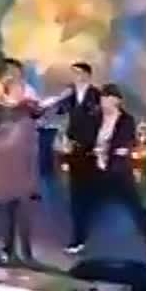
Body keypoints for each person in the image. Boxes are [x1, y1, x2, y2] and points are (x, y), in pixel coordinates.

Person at [94, 84, 146, 266]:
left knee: (136, 208)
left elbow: (125, 143)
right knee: (84, 205)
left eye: (108, 99)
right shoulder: (95, 118)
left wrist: (110, 151)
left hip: (117, 170)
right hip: (95, 168)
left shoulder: (126, 120)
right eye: (102, 98)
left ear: (117, 101)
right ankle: (78, 240)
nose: (104, 103)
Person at [0, 77, 41, 262]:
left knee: (25, 212)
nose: (21, 92)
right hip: (5, 166)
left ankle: (27, 252)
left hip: (25, 165)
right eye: (18, 89)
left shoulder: (27, 108)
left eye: (22, 88)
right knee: (6, 212)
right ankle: (8, 248)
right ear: (8, 90)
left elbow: (40, 111)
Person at [47, 62, 103, 254]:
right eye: (73, 73)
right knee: (75, 194)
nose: (75, 76)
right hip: (73, 150)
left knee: (90, 194)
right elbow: (58, 113)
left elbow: (98, 121)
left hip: (91, 150)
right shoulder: (69, 95)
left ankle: (89, 233)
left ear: (87, 75)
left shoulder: (96, 95)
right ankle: (78, 236)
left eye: (79, 73)